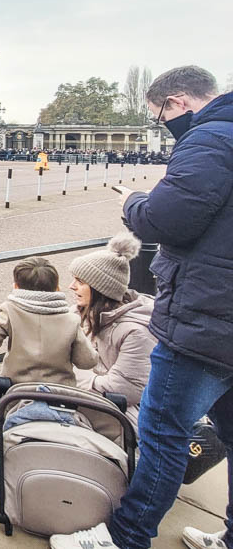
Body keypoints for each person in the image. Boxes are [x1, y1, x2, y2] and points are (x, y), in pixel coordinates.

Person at [52, 66, 233, 549]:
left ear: (176, 102)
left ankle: (125, 536)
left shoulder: (209, 137)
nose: (163, 127)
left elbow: (164, 220)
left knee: (163, 431)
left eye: (159, 117)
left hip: (207, 314)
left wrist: (133, 200)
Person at [68, 232, 155, 433]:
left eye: (80, 281)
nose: (72, 286)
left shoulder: (136, 331)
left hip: (117, 416)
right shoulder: (76, 314)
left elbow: (123, 389)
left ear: (100, 288)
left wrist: (71, 375)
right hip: (83, 402)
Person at [0, 256, 97, 387]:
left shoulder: (10, 311)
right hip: (58, 395)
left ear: (16, 287)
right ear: (57, 288)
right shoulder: (71, 320)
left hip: (18, 391)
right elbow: (87, 361)